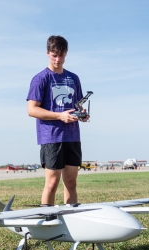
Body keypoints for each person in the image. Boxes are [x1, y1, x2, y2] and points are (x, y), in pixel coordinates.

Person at [26, 35, 89, 206]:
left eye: (61, 55)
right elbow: (32, 110)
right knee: (52, 184)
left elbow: (77, 104)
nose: (58, 59)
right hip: (52, 137)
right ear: (47, 53)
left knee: (71, 183)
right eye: (54, 55)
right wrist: (60, 116)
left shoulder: (73, 78)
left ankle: (70, 218)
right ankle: (48, 220)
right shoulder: (40, 78)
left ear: (66, 54)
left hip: (72, 136)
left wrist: (81, 113)